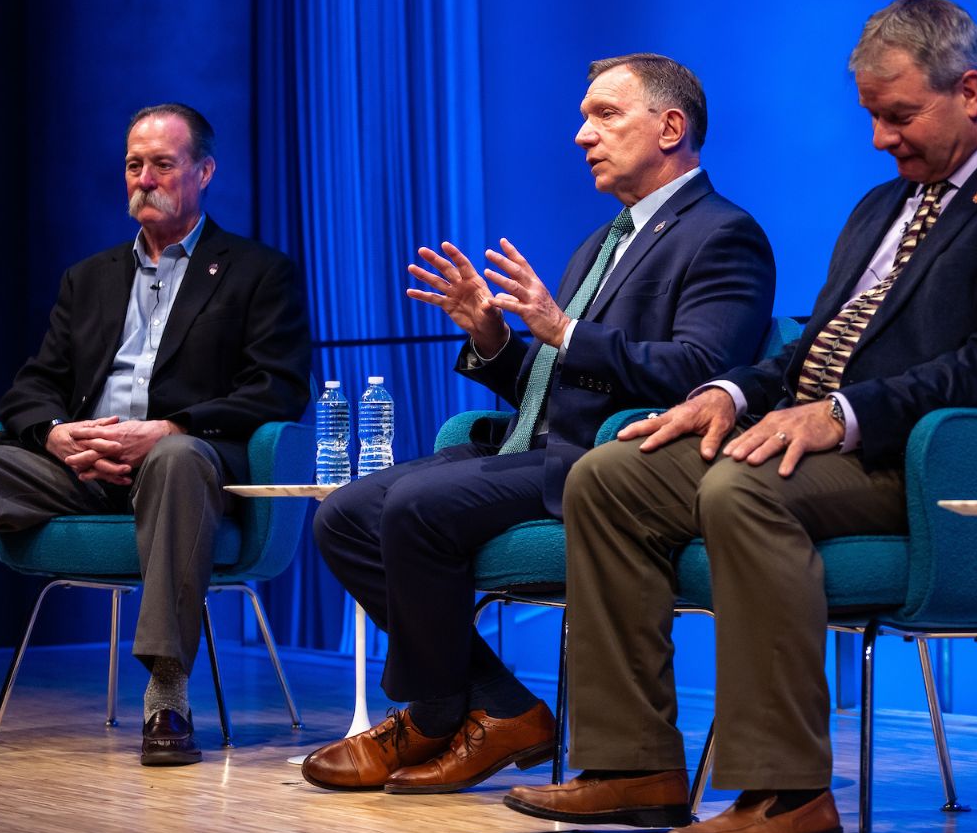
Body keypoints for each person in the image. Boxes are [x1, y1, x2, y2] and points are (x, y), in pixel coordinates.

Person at [503, 0, 977, 833]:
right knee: (610, 474)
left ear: (970, 91)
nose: (879, 138)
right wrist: (729, 391)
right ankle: (632, 764)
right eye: (871, 115)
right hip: (814, 438)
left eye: (898, 115)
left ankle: (788, 793)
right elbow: (813, 350)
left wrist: (843, 415)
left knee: (741, 489)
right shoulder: (881, 207)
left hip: (917, 461)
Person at [301, 54, 775, 795]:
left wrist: (565, 331)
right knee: (343, 514)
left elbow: (701, 372)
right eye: (585, 118)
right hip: (541, 446)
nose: (583, 135)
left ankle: (432, 715)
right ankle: (497, 706)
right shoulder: (602, 241)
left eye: (605, 115)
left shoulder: (723, 233)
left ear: (670, 128)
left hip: (614, 464)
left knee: (416, 506)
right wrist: (494, 341)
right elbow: (560, 384)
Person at [0, 104, 314, 770]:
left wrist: (170, 427)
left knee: (177, 457)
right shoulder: (91, 277)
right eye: (134, 164)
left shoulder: (257, 272)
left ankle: (166, 696)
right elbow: (32, 385)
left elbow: (277, 389)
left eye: (163, 164)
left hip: (178, 467)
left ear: (204, 172)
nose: (145, 179)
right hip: (80, 470)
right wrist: (55, 435)